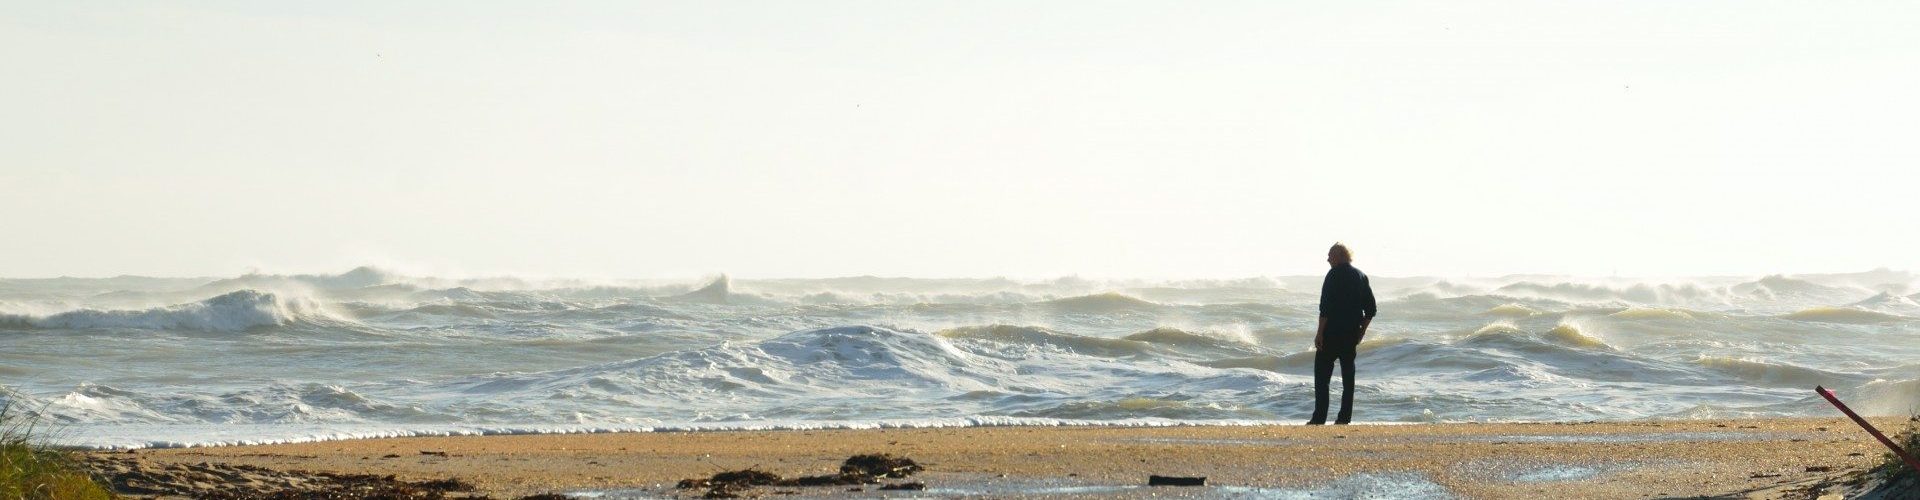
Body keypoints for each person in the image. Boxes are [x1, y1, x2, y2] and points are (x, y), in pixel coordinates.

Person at [1309, 242, 1376, 425]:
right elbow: (1370, 309)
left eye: (1330, 255)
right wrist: (1362, 331)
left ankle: (1319, 418)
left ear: (1340, 256)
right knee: (1348, 378)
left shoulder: (1333, 275)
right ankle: (1344, 418)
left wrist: (1319, 334)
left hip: (1331, 334)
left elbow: (1325, 308)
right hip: (1350, 335)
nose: (1328, 259)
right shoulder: (1360, 276)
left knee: (1322, 377)